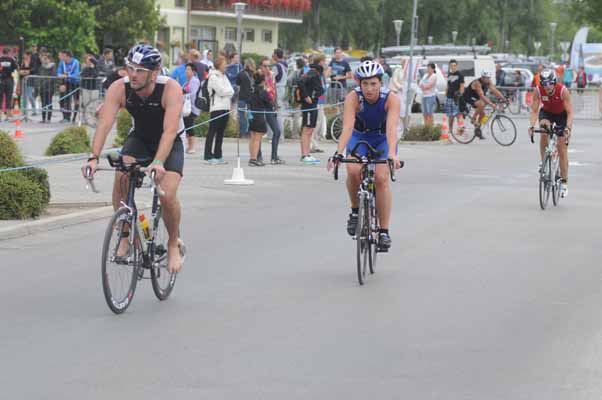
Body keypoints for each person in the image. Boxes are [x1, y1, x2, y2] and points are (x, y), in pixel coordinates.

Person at [82, 44, 185, 274]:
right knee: (121, 176)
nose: (133, 74)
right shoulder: (120, 88)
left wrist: (158, 162)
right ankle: (125, 235)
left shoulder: (170, 89)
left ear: (154, 73)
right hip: (139, 137)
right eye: (130, 68)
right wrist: (93, 157)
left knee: (167, 195)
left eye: (139, 70)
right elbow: (105, 123)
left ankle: (172, 243)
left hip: (169, 141)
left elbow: (169, 132)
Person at [329, 60, 401, 251]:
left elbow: (392, 128)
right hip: (358, 136)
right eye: (365, 83)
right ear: (359, 83)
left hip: (382, 138)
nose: (369, 88)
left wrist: (392, 154)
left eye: (373, 83)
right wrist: (338, 152)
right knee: (352, 170)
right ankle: (355, 211)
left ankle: (384, 231)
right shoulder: (353, 97)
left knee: (381, 178)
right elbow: (347, 127)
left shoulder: (391, 98)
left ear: (380, 83)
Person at [528, 69, 573, 198]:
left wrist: (568, 129)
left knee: (561, 147)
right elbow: (535, 110)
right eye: (544, 84)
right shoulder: (538, 90)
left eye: (549, 83)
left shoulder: (563, 91)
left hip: (562, 115)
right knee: (543, 130)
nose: (547, 86)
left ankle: (564, 183)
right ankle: (544, 162)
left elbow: (570, 113)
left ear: (554, 82)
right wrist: (531, 125)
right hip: (547, 113)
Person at [204, 55, 234, 164]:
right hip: (216, 107)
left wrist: (226, 92)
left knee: (221, 133)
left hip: (225, 107)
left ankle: (218, 155)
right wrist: (227, 92)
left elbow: (231, 90)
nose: (225, 66)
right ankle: (208, 155)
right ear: (219, 65)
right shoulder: (213, 77)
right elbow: (220, 91)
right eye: (224, 64)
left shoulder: (224, 76)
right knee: (212, 131)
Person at [460, 70, 506, 139]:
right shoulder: (477, 83)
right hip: (468, 97)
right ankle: (473, 118)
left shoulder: (488, 82)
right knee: (482, 103)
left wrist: (504, 98)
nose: (487, 79)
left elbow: (494, 90)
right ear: (482, 77)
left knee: (483, 114)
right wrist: (491, 104)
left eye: (488, 78)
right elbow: (482, 96)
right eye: (485, 78)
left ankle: (478, 130)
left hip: (477, 98)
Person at [299, 54, 326, 164]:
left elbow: (319, 89)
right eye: (324, 61)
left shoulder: (317, 72)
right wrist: (306, 96)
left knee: (310, 130)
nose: (325, 63)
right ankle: (304, 155)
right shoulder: (313, 72)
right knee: (307, 130)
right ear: (319, 62)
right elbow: (300, 82)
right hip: (308, 106)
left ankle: (307, 154)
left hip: (314, 105)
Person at [258, 57, 285, 164]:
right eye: (265, 66)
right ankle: (258, 156)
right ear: (261, 66)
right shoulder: (258, 76)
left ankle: (274, 157)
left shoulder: (271, 75)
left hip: (270, 106)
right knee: (259, 133)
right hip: (260, 107)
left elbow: (274, 89)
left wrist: (276, 104)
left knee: (277, 131)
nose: (267, 68)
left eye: (269, 66)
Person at [248, 71, 272, 166]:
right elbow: (269, 103)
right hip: (259, 115)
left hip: (252, 114)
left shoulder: (252, 90)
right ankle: (254, 159)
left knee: (252, 137)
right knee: (257, 138)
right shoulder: (263, 91)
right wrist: (269, 91)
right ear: (262, 81)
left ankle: (251, 158)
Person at [56, 50, 80, 123]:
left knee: (76, 101)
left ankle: (74, 117)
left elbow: (76, 74)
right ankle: (66, 117)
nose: (62, 57)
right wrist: (61, 76)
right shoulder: (61, 62)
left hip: (76, 83)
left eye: (63, 56)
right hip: (67, 82)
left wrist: (66, 75)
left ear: (68, 56)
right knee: (65, 100)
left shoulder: (76, 62)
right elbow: (58, 73)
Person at [182, 63, 201, 153]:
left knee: (189, 126)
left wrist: (184, 93)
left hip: (192, 108)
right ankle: (189, 146)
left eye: (188, 69)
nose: (186, 71)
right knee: (187, 125)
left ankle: (192, 147)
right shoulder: (187, 81)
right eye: (186, 69)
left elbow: (193, 94)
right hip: (186, 108)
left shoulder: (194, 81)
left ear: (193, 71)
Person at [236, 58, 255, 139]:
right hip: (251, 98)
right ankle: (250, 132)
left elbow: (237, 83)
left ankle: (242, 132)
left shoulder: (241, 73)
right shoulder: (254, 74)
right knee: (250, 115)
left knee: (242, 115)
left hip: (242, 97)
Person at [445, 59, 464, 134]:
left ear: (457, 66)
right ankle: (450, 130)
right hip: (449, 97)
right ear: (449, 66)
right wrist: (446, 94)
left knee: (458, 114)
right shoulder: (449, 74)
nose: (453, 67)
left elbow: (462, 86)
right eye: (452, 65)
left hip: (456, 98)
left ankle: (460, 130)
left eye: (455, 65)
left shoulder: (460, 75)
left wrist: (460, 95)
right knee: (450, 115)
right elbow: (448, 85)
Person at [0, 48, 19, 121]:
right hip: (9, 80)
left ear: (3, 52)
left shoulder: (0, 59)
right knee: (8, 97)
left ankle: (0, 117)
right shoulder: (11, 60)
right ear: (8, 53)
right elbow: (17, 68)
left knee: (0, 98)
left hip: (1, 80)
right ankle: (7, 117)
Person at [38, 53, 56, 123]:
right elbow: (39, 76)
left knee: (49, 103)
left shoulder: (53, 66)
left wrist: (44, 82)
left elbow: (53, 76)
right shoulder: (41, 67)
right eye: (43, 58)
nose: (44, 60)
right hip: (42, 87)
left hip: (49, 87)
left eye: (46, 58)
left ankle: (48, 118)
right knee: (43, 103)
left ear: (49, 59)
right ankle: (43, 118)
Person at [419, 62, 437, 127]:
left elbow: (428, 86)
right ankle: (426, 126)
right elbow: (420, 83)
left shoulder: (434, 76)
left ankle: (431, 127)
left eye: (429, 68)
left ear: (433, 69)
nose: (428, 69)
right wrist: (423, 86)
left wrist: (423, 86)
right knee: (424, 113)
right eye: (427, 68)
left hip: (430, 96)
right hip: (424, 96)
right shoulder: (425, 75)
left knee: (430, 112)